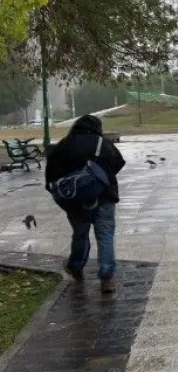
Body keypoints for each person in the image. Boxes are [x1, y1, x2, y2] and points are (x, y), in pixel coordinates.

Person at [45, 115, 126, 293]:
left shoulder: (64, 145)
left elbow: (52, 173)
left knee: (80, 233)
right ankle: (107, 277)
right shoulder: (102, 144)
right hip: (104, 196)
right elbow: (119, 162)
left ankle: (76, 265)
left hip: (74, 199)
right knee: (105, 235)